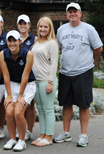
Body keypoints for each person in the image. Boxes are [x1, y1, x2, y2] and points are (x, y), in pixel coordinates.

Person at [53, 2, 103, 147]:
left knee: (84, 104)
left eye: (75, 11)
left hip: (83, 72)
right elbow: (60, 48)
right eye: (70, 12)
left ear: (80, 13)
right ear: (67, 14)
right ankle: (66, 133)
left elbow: (98, 48)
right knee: (66, 103)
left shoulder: (89, 29)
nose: (72, 14)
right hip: (65, 72)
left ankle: (83, 135)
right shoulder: (61, 29)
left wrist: (87, 60)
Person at [0, 30, 36, 151]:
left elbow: (25, 76)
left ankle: (21, 140)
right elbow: (6, 76)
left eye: (14, 40)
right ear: (6, 42)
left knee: (18, 112)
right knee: (9, 112)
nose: (12, 43)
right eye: (9, 41)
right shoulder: (2, 54)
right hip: (11, 85)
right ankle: (12, 139)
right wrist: (9, 95)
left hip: (27, 86)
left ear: (20, 41)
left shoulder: (28, 54)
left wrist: (21, 95)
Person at [30, 17, 59, 147]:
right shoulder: (37, 42)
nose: (42, 29)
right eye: (41, 26)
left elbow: (54, 63)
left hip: (46, 81)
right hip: (36, 81)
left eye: (45, 27)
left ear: (50, 28)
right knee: (40, 110)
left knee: (48, 109)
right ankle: (42, 135)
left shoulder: (52, 43)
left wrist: (50, 82)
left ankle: (49, 137)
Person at [16, 14, 37, 140]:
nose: (23, 26)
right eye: (20, 23)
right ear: (17, 25)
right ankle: (21, 129)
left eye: (25, 23)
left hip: (30, 76)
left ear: (29, 25)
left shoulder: (34, 39)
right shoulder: (14, 38)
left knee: (30, 104)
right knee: (19, 104)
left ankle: (29, 130)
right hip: (16, 76)